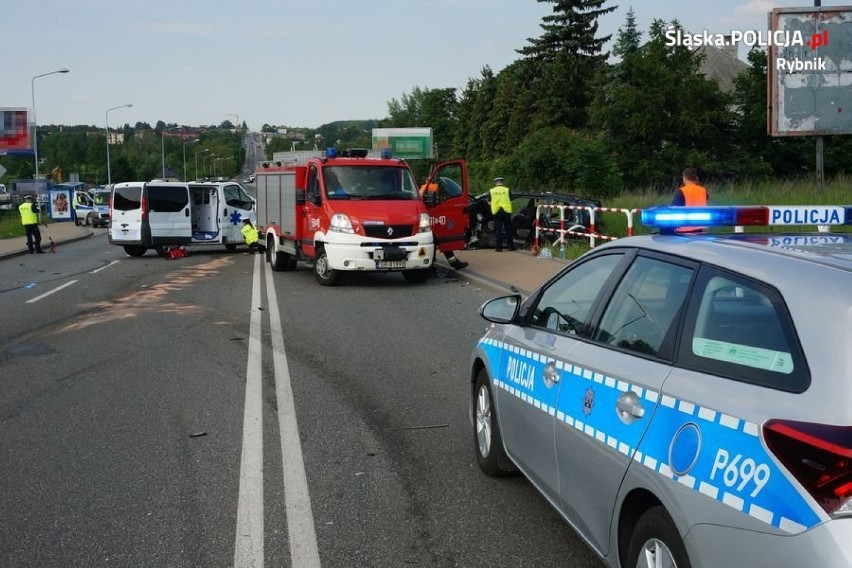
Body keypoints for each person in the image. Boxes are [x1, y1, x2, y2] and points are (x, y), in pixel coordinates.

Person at [419, 181, 469, 271]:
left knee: (440, 241)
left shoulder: (424, 187)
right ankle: (433, 267)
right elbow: (437, 199)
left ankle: (450, 263)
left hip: (429, 215)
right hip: (432, 215)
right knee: (436, 240)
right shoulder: (432, 186)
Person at [672, 167, 709, 233]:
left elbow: (674, 210)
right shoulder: (703, 190)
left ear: (684, 178)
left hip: (684, 230)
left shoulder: (681, 191)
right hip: (700, 228)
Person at [489, 177, 515, 252]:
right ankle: (511, 246)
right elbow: (512, 201)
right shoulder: (507, 190)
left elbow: (489, 202)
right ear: (502, 182)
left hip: (496, 212)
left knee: (498, 230)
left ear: (495, 183)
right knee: (508, 229)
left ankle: (498, 248)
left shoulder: (491, 191)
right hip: (506, 211)